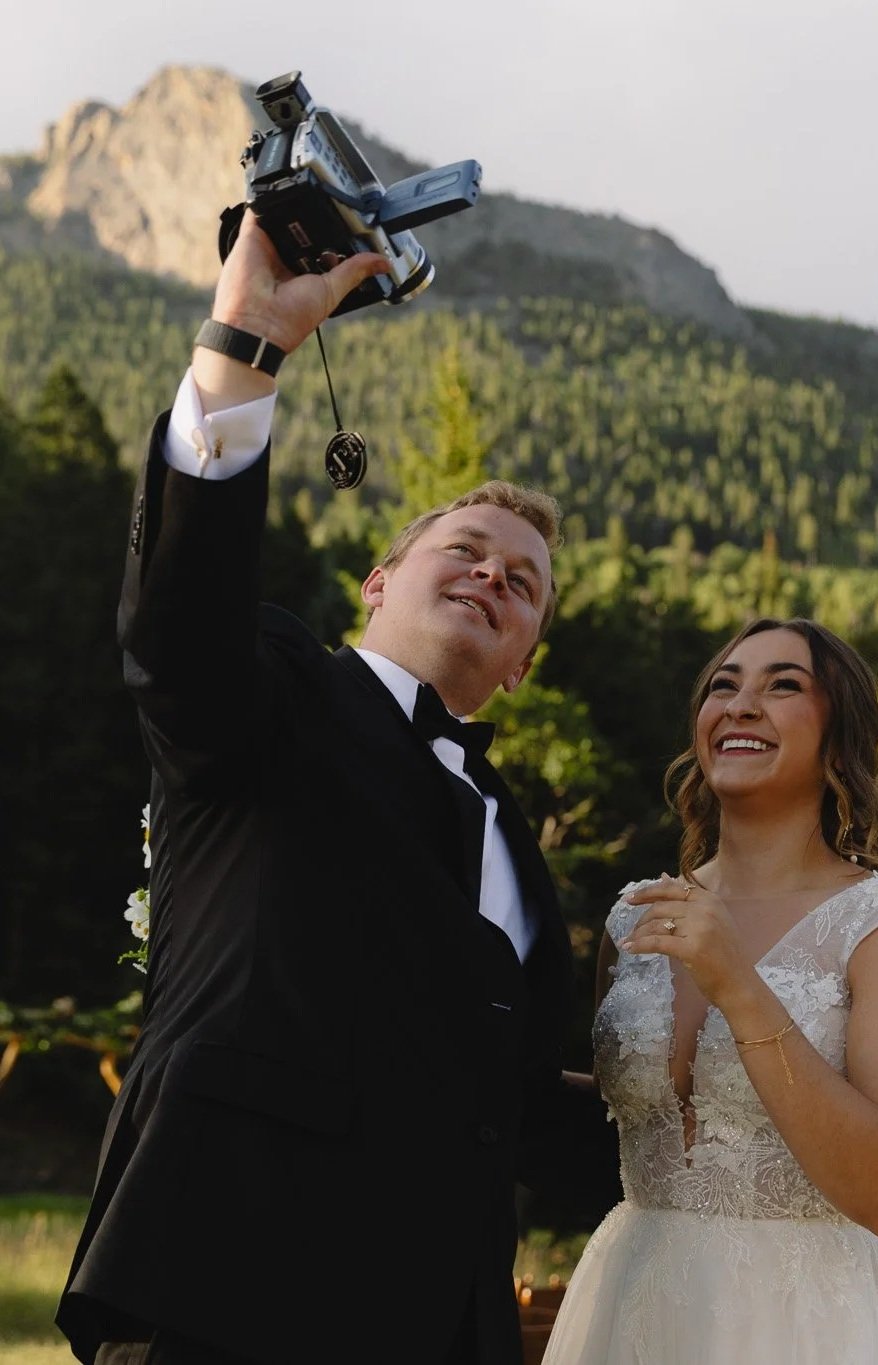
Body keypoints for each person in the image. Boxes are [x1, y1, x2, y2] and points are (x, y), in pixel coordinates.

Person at [56, 210, 619, 1365]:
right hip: (224, 1285)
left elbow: (506, 1102)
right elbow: (175, 619)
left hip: (439, 1327)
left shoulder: (516, 843)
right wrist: (246, 344)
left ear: (521, 667)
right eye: (462, 547)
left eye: (524, 584)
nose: (490, 573)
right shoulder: (267, 691)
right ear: (377, 581)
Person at [542, 616, 878, 1365]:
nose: (740, 705)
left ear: (838, 733)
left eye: (782, 685)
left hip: (811, 1321)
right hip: (635, 1298)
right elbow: (648, 1123)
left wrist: (738, 984)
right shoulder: (636, 913)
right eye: (722, 685)